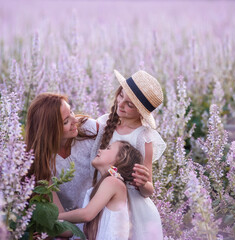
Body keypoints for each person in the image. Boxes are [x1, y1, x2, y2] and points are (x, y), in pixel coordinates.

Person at [91, 70, 166, 239]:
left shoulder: (143, 137)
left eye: (130, 104)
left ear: (141, 112)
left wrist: (142, 183)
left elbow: (148, 190)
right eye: (121, 96)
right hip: (104, 201)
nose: (121, 104)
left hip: (135, 211)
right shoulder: (104, 123)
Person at [25, 92, 98, 221]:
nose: (75, 120)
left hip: (103, 214)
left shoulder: (89, 130)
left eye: (71, 112)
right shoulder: (41, 162)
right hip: (72, 224)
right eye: (66, 121)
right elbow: (59, 220)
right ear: (50, 130)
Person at [58, 140, 142, 240]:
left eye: (108, 148)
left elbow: (86, 215)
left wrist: (55, 217)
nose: (100, 150)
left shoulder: (113, 182)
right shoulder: (104, 185)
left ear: (120, 158)